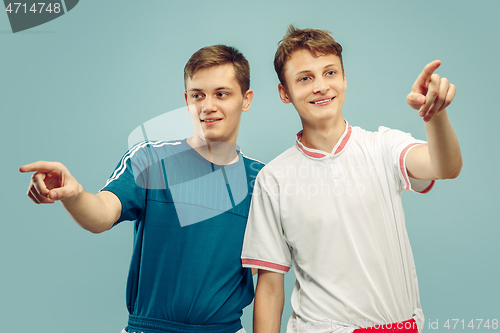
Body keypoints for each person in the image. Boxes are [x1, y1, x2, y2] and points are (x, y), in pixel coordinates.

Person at [20, 45, 264, 333]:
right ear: (187, 100)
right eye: (198, 95)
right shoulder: (150, 159)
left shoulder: (260, 180)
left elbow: (269, 275)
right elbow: (102, 213)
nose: (207, 106)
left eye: (221, 94)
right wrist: (74, 195)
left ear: (245, 99)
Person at [241, 26, 462, 333]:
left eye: (330, 73)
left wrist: (434, 115)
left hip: (400, 325)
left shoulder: (383, 146)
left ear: (344, 79)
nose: (320, 86)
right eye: (305, 78)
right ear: (284, 92)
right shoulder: (273, 179)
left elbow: (445, 166)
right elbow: (269, 285)